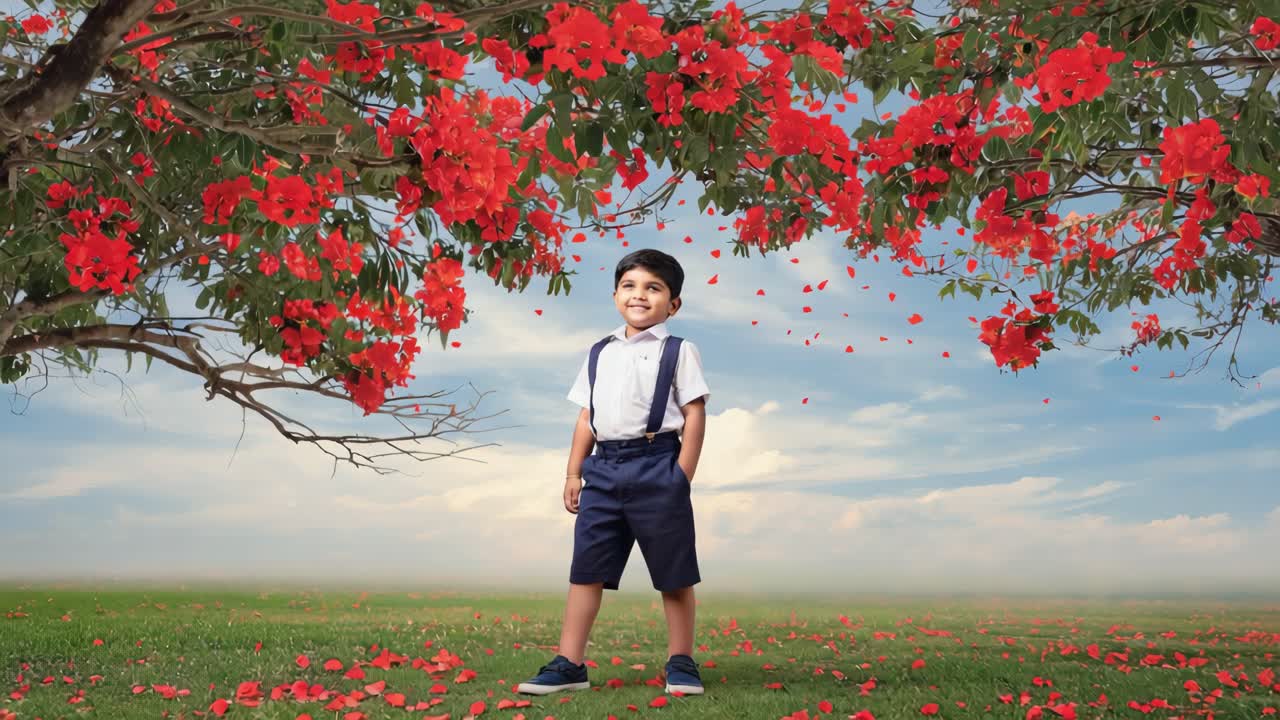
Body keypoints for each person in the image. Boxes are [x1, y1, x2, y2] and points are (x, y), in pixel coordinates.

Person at [517, 248, 711, 698]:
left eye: (653, 288)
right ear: (615, 294)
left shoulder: (678, 351)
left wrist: (682, 475)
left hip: (658, 463)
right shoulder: (599, 351)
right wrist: (573, 473)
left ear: (673, 304)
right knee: (586, 569)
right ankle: (570, 663)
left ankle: (681, 662)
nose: (639, 295)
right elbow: (587, 415)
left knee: (673, 570)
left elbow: (695, 412)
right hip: (602, 468)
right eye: (630, 285)